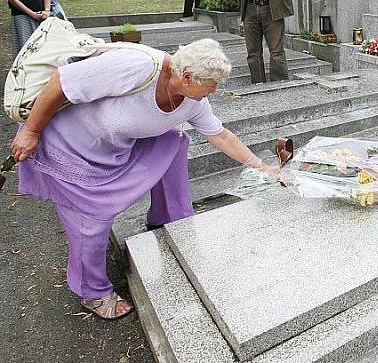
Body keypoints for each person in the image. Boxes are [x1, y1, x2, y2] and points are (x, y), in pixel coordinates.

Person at [10, 38, 278, 319]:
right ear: (187, 76)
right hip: (71, 146)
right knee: (91, 223)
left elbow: (220, 136)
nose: (215, 89)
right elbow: (61, 83)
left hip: (116, 147)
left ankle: (167, 217)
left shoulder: (194, 101)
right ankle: (92, 292)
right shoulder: (137, 67)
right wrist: (30, 131)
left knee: (174, 141)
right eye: (211, 83)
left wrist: (261, 167)